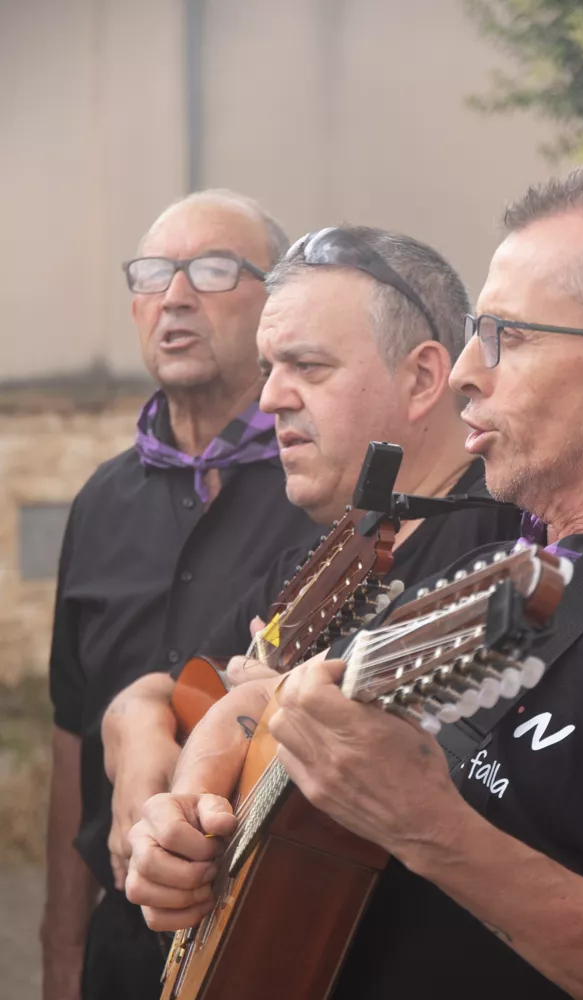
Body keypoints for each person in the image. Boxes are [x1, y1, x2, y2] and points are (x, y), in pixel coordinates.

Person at [127, 159, 583, 999]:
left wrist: (427, 827)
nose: (462, 373)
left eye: (507, 337)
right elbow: (262, 699)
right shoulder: (520, 572)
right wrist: (189, 818)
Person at [103, 224, 521, 889]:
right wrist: (135, 729)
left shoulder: (515, 547)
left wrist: (252, 713)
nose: (269, 398)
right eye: (270, 370)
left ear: (420, 378)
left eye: (307, 367)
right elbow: (185, 682)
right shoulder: (333, 556)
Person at [42, 189, 320, 1000]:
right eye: (155, 275)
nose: (176, 296)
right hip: (119, 954)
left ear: (278, 304)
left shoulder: (325, 491)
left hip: (266, 939)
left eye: (212, 270)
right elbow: (71, 741)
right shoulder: (99, 503)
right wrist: (61, 948)